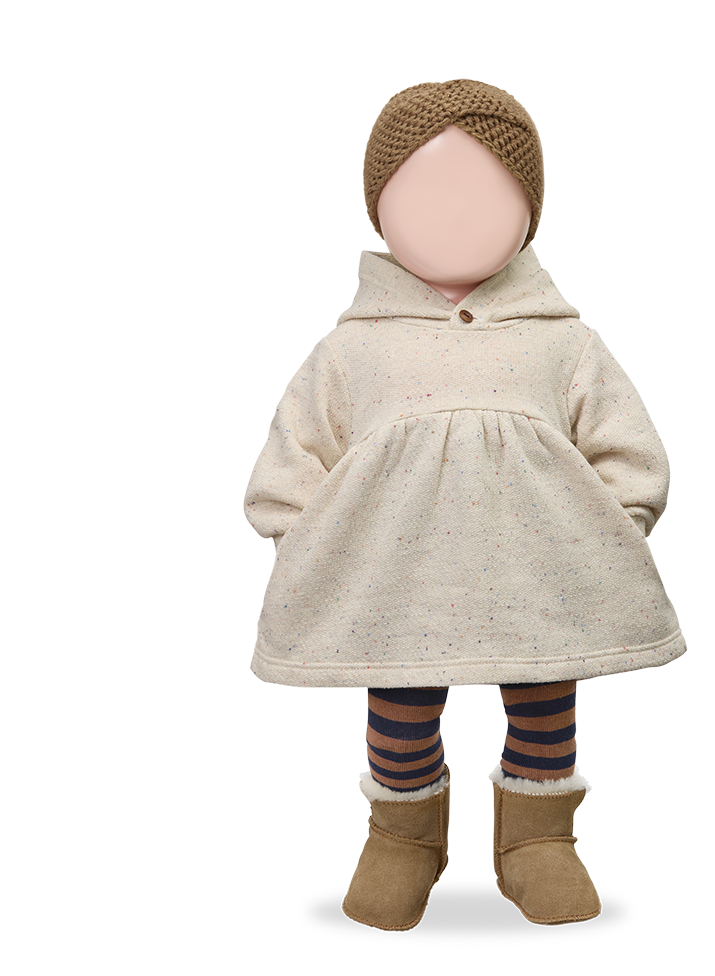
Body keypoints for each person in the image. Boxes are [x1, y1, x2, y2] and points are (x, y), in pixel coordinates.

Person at [244, 78, 685, 931]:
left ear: (531, 213)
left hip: (541, 574)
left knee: (544, 691)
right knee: (401, 698)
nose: (454, 215)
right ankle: (402, 838)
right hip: (394, 579)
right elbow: (297, 455)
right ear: (379, 210)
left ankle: (538, 839)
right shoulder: (351, 351)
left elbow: (627, 449)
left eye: (486, 194)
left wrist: (601, 534)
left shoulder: (564, 341)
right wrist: (305, 541)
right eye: (423, 194)